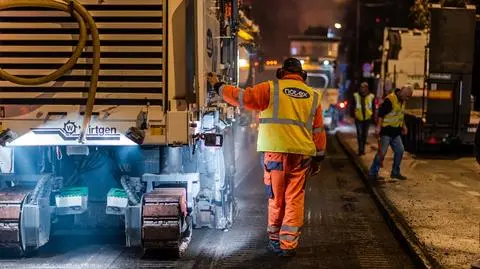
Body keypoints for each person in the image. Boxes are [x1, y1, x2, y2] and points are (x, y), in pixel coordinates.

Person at [207, 58, 327, 257]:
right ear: (303, 75)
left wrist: (218, 86)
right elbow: (319, 132)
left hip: (275, 154)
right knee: (294, 199)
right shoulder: (313, 97)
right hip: (302, 156)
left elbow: (242, 97)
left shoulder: (270, 89)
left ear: (281, 73)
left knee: (276, 198)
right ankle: (288, 245)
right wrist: (318, 160)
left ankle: (274, 241)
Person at [368, 85, 413, 180]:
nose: (407, 99)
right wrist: (378, 127)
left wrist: (404, 126)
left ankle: (395, 172)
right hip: (386, 131)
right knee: (382, 153)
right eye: (407, 97)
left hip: (396, 132)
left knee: (400, 150)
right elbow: (381, 114)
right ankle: (373, 172)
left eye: (408, 97)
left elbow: (400, 114)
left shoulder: (402, 100)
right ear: (402, 93)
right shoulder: (390, 99)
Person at [352, 82, 375, 156]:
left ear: (367, 88)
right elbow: (352, 106)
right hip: (358, 118)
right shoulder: (355, 95)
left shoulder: (371, 96)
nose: (363, 89)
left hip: (367, 119)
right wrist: (354, 115)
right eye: (361, 87)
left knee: (365, 135)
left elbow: (373, 107)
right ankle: (360, 150)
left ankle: (363, 148)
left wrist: (373, 115)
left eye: (364, 87)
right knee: (359, 134)